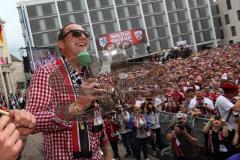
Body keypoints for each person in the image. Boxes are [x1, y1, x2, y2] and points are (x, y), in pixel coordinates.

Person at [26, 23, 112, 159]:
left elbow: (96, 115)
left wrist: (107, 151)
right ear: (61, 43)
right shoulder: (46, 72)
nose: (83, 36)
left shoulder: (89, 74)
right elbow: (31, 121)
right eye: (76, 33)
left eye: (86, 34)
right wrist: (77, 106)